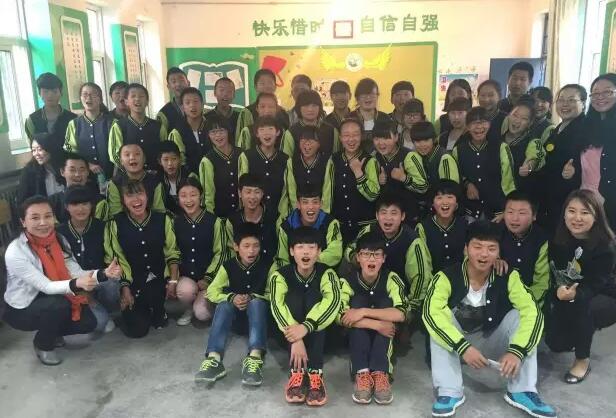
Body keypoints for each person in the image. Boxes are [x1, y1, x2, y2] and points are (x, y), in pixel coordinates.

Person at [423, 220, 556, 418]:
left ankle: (522, 390)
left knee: (521, 315)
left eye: (491, 248)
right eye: (477, 247)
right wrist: (463, 347)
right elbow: (430, 313)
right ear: (466, 249)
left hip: (492, 342)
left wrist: (518, 351)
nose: (484, 254)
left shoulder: (509, 276)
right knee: (440, 318)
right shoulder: (446, 276)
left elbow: (532, 312)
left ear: (498, 252)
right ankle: (449, 391)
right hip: (458, 346)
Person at [3, 196, 121, 365]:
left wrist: (104, 273)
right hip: (22, 309)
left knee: (89, 323)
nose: (43, 223)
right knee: (58, 304)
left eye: (48, 216)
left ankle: (53, 331)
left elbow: (76, 272)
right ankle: (43, 345)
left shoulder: (58, 240)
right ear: (23, 222)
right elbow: (46, 286)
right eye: (35, 218)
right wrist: (76, 284)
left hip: (55, 298)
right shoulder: (16, 251)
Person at [546, 190, 616, 384]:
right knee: (556, 344)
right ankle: (578, 328)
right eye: (572, 211)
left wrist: (575, 295)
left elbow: (595, 284)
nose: (577, 218)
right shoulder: (557, 238)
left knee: (584, 309)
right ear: (564, 213)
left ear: (596, 216)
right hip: (568, 292)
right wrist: (558, 292)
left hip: (603, 296)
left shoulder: (605, 246)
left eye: (585, 213)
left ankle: (582, 360)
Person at [269, 226, 341, 406]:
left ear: (319, 251)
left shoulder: (327, 273)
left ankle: (315, 373)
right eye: (300, 247)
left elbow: (333, 302)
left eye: (311, 247)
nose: (306, 252)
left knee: (315, 299)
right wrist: (296, 337)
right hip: (289, 337)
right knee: (292, 298)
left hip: (321, 336)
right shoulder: (280, 276)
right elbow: (277, 307)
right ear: (292, 251)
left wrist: (306, 327)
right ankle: (297, 373)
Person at [195, 222, 270, 386]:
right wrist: (231, 297)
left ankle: (255, 358)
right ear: (236, 247)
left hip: (259, 321)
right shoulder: (228, 266)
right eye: (246, 246)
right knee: (224, 304)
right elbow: (211, 291)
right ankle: (214, 359)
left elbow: (274, 294)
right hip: (235, 321)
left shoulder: (268, 265)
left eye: (256, 246)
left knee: (257, 303)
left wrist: (252, 297)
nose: (251, 251)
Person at [104, 179, 180, 338]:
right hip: (133, 282)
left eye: (140, 193)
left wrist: (173, 281)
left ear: (147, 196)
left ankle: (157, 308)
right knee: (137, 330)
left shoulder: (163, 219)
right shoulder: (115, 224)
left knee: (160, 322)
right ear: (123, 200)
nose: (136, 199)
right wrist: (124, 288)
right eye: (130, 195)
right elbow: (116, 258)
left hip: (159, 279)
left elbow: (172, 252)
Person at [339, 233, 408, 405]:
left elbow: (401, 313)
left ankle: (380, 372)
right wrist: (375, 324)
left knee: (384, 306)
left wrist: (363, 312)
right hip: (358, 332)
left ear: (383, 258)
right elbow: (340, 316)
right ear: (358, 257)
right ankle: (362, 372)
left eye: (377, 254)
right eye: (366, 254)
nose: (371, 259)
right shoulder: (346, 281)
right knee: (357, 302)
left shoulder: (391, 278)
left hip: (385, 333)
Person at [345, 192, 432, 318]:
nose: (388, 218)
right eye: (383, 213)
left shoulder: (412, 241)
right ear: (377, 215)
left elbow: (421, 277)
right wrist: (356, 258)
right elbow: (350, 249)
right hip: (367, 288)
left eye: (394, 213)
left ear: (402, 216)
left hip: (399, 295)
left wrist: (411, 308)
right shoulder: (369, 230)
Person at [56, 186, 120, 333]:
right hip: (76, 285)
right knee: (100, 324)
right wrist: (83, 292)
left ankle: (106, 309)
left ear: (91, 205)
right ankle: (93, 308)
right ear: (66, 207)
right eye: (75, 204)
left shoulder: (103, 227)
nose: (81, 209)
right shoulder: (59, 233)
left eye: (85, 203)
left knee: (112, 286)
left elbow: (112, 259)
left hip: (101, 279)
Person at [174, 178, 228, 326]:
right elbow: (173, 251)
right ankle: (188, 308)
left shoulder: (214, 222)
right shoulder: (176, 222)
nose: (188, 200)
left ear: (201, 196)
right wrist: (175, 277)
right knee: (185, 291)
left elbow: (221, 253)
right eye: (183, 195)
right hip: (187, 277)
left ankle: (207, 303)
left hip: (209, 279)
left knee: (202, 314)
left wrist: (208, 278)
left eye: (193, 195)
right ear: (178, 199)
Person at [452, 107, 516, 221]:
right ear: (467, 126)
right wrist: (467, 184)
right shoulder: (458, 150)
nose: (479, 127)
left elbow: (509, 182)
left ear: (489, 124)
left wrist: (509, 209)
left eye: (483, 122)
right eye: (474, 123)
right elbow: (456, 177)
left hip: (496, 212)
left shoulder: (501, 147)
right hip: (469, 211)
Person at [538, 84, 587, 233]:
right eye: (561, 100)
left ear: (583, 103)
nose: (565, 104)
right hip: (552, 197)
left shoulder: (585, 129)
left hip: (569, 199)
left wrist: (575, 171)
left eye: (571, 100)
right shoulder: (559, 127)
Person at [331, 118, 381, 244]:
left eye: (355, 135)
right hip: (340, 226)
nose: (351, 139)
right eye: (346, 135)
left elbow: (373, 195)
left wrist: (359, 173)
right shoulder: (333, 160)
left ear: (362, 136)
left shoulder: (370, 161)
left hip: (365, 227)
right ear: (340, 137)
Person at [274, 182, 343, 270]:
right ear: (298, 205)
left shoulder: (330, 223)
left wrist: (308, 261)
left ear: (321, 204)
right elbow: (282, 259)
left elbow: (335, 253)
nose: (310, 207)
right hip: (294, 272)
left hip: (323, 271)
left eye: (315, 202)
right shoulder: (286, 226)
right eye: (305, 202)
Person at [498, 191, 549, 305]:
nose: (514, 218)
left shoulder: (541, 240)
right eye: (510, 212)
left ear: (534, 216)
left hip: (529, 299)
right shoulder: (495, 233)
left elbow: (541, 283)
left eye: (522, 213)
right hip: (498, 297)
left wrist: (523, 303)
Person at [372, 119, 426, 224]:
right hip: (385, 219)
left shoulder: (409, 156)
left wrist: (404, 178)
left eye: (386, 138)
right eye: (377, 138)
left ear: (396, 137)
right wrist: (378, 181)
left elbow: (423, 187)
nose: (381, 143)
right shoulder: (374, 157)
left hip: (408, 217)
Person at [108, 83, 167, 170]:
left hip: (155, 174)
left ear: (147, 101)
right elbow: (114, 155)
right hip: (129, 176)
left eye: (141, 96)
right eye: (133, 96)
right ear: (126, 101)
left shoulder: (158, 126)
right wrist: (130, 170)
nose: (137, 99)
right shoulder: (118, 126)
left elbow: (165, 151)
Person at [238, 115, 289, 216]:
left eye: (270, 129)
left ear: (278, 132)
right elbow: (243, 188)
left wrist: (282, 215)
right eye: (262, 129)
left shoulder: (285, 159)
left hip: (277, 214)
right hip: (253, 214)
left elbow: (286, 191)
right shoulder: (247, 156)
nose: (266, 133)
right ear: (257, 134)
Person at [64, 82, 115, 181]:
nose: (88, 97)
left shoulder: (112, 123)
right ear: (80, 98)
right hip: (83, 179)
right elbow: (70, 152)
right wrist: (88, 165)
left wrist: (115, 177)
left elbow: (118, 152)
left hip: (110, 177)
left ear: (100, 99)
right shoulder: (73, 124)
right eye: (85, 94)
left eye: (93, 94)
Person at [409, 121, 460, 217]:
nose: (422, 145)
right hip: (428, 210)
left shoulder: (444, 158)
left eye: (426, 140)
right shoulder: (419, 157)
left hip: (444, 212)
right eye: (418, 141)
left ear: (434, 139)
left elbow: (450, 192)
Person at [585, 73, 616, 228]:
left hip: (610, 202)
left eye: (607, 92)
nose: (600, 97)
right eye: (595, 93)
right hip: (587, 201)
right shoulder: (587, 126)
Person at [416, 181, 468, 274]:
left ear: (457, 203)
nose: (445, 202)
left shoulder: (465, 225)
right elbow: (423, 264)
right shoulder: (422, 228)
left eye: (450, 197)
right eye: (439, 198)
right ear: (432, 203)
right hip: (434, 280)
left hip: (461, 278)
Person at [281, 125, 334, 216]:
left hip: (320, 213)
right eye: (303, 140)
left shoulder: (327, 162)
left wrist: (322, 217)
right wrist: (297, 215)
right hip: (298, 212)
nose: (307, 144)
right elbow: (291, 193)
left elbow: (327, 193)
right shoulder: (291, 163)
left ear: (319, 144)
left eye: (311, 140)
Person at [226, 173, 278, 261]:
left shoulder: (275, 218)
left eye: (257, 192)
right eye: (248, 192)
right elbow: (231, 253)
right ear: (239, 193)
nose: (252, 197)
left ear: (262, 193)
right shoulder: (232, 221)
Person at [198, 114, 242, 218]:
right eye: (213, 132)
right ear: (208, 135)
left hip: (242, 215)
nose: (218, 136)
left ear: (228, 131)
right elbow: (208, 195)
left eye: (221, 131)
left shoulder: (241, 154)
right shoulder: (207, 160)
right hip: (220, 216)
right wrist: (211, 219)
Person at [501, 97, 545, 197]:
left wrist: (529, 167)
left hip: (519, 196)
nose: (517, 120)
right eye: (515, 115)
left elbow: (537, 156)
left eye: (524, 118)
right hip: (497, 196)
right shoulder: (499, 139)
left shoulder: (533, 141)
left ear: (530, 123)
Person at [106, 143, 165, 216]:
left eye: (137, 154)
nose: (132, 157)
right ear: (121, 161)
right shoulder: (114, 183)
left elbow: (159, 212)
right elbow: (116, 213)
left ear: (144, 159)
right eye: (127, 155)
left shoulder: (155, 181)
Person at [48, 153, 108, 223]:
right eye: (72, 170)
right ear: (62, 172)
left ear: (88, 172)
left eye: (82, 170)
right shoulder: (52, 202)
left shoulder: (99, 201)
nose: (77, 174)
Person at [24, 72, 77, 151]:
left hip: (67, 158)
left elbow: (75, 147)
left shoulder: (73, 118)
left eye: (54, 91)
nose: (50, 95)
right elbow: (33, 147)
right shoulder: (32, 120)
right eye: (45, 91)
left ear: (61, 93)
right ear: (39, 93)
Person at [236, 68, 289, 141]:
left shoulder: (282, 112)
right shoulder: (247, 112)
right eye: (262, 83)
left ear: (275, 86)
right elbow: (241, 139)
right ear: (255, 87)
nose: (266, 86)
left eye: (270, 83)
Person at [168, 87, 213, 174]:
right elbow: (178, 162)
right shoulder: (177, 132)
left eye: (196, 101)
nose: (192, 105)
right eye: (187, 102)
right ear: (182, 108)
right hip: (188, 178)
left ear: (202, 104)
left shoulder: (212, 127)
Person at [287, 89, 340, 158]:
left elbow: (337, 158)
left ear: (320, 107)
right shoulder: (291, 132)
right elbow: (285, 160)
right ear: (299, 107)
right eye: (306, 105)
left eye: (314, 105)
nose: (310, 109)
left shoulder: (332, 131)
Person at [17, 133, 65, 204]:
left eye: (40, 149)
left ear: (50, 148)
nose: (36, 154)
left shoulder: (64, 166)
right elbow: (22, 202)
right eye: (34, 150)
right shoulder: (29, 172)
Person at [348, 78, 392, 152]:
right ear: (357, 98)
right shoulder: (349, 119)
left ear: (377, 96)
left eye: (372, 94)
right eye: (364, 95)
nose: (368, 98)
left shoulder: (385, 118)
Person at [157, 141, 195, 214]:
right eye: (165, 160)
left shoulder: (190, 176)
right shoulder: (157, 180)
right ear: (160, 161)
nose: (170, 163)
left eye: (174, 159)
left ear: (179, 159)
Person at [157, 67, 189, 134]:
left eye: (181, 80)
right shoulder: (163, 114)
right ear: (169, 87)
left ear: (188, 83)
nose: (178, 84)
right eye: (174, 82)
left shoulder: (198, 108)